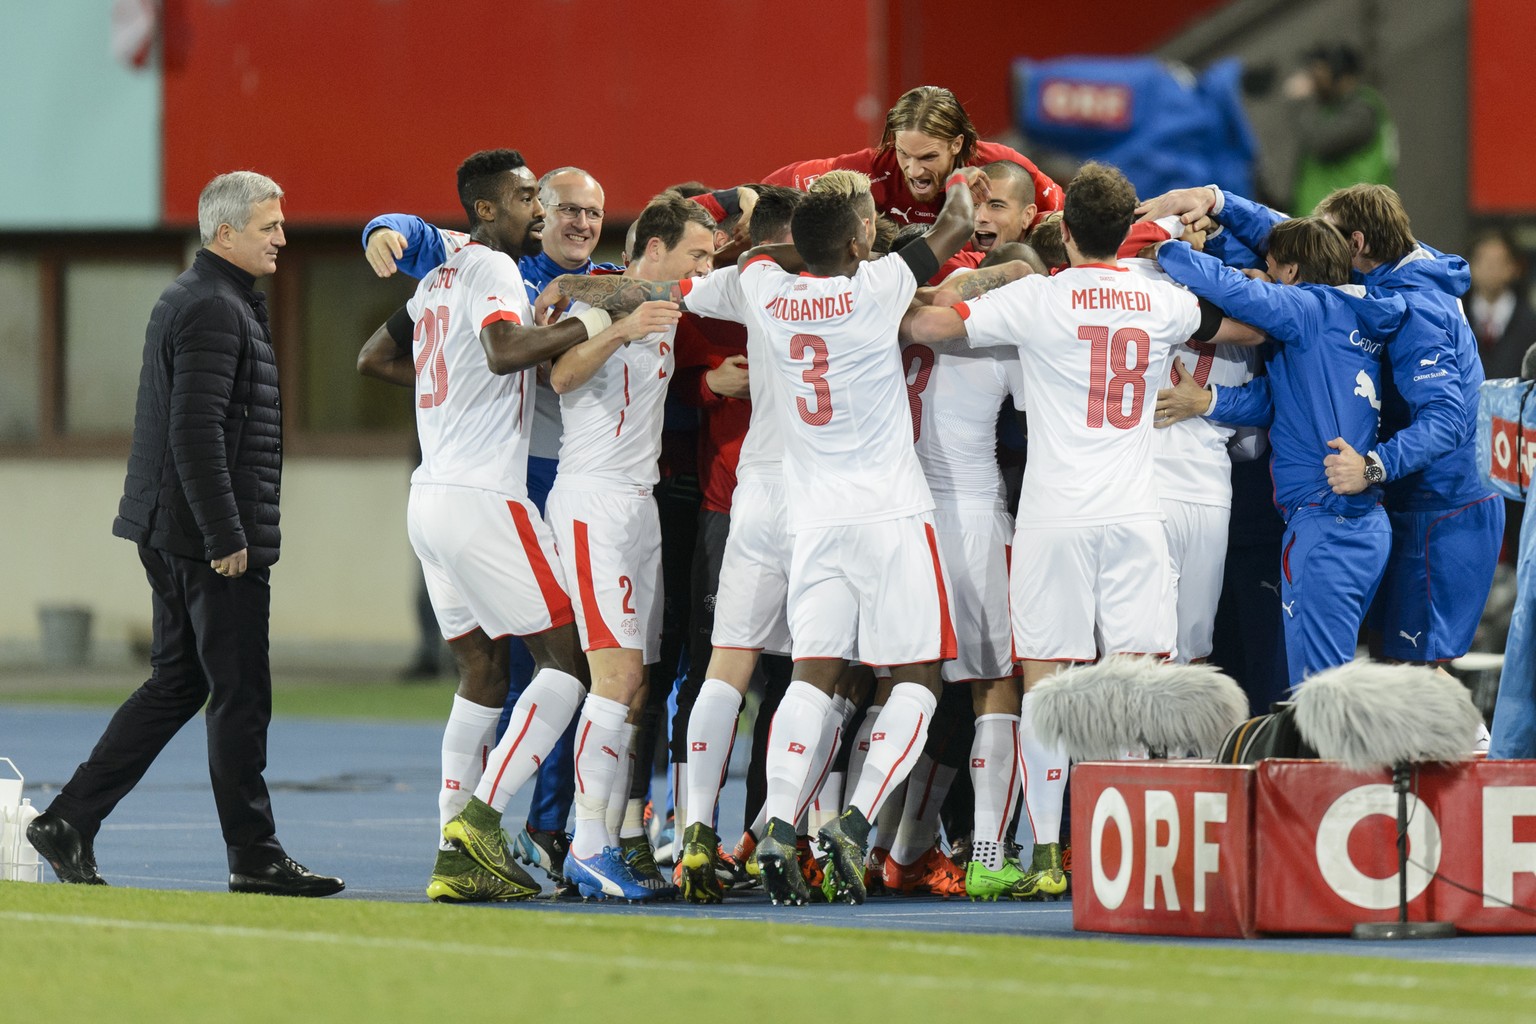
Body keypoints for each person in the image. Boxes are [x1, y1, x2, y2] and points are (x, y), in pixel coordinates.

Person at [904, 162, 1217, 901]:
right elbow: (1232, 320)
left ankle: (1046, 854)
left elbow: (928, 324)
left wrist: (955, 284)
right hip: (1137, 516)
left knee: (1045, 686)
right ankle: (1133, 853)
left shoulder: (1038, 300)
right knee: (1139, 686)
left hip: (1054, 520)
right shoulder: (1160, 299)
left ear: (1064, 230)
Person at [27, 172, 343, 897]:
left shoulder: (204, 298)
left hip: (172, 526)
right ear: (225, 232)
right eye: (270, 227)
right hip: (205, 536)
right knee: (240, 692)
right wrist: (225, 533)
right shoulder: (212, 307)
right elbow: (194, 430)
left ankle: (70, 819)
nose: (283, 238)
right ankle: (254, 856)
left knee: (179, 682)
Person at [357, 149, 660, 903]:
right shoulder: (491, 268)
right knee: (569, 663)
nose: (541, 208)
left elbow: (372, 357)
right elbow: (501, 351)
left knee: (483, 674)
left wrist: (447, 391)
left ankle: (451, 842)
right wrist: (596, 317)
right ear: (488, 210)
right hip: (485, 498)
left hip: (429, 496)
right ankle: (482, 828)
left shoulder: (438, 276)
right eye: (528, 196)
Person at [1150, 216, 1410, 685]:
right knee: (1321, 680)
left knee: (1318, 689)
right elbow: (1283, 401)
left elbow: (1228, 289)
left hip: (1324, 524)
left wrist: (1165, 247)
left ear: (1290, 274)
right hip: (1363, 525)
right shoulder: (1352, 316)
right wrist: (1210, 400)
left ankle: (1327, 762)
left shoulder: (1307, 310)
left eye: (1269, 269)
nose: (1262, 276)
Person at [764, 85, 1060, 229]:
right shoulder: (874, 167)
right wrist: (741, 202)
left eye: (928, 157)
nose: (914, 170)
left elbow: (1068, 218)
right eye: (904, 153)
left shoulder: (1003, 168)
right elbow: (774, 188)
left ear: (956, 144)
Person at [1286, 43, 1397, 217]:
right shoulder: (1331, 110)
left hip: (1348, 219)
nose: (1317, 78)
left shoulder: (1363, 109)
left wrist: (1303, 101)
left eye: (1324, 70)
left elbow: (1322, 143)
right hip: (1325, 219)